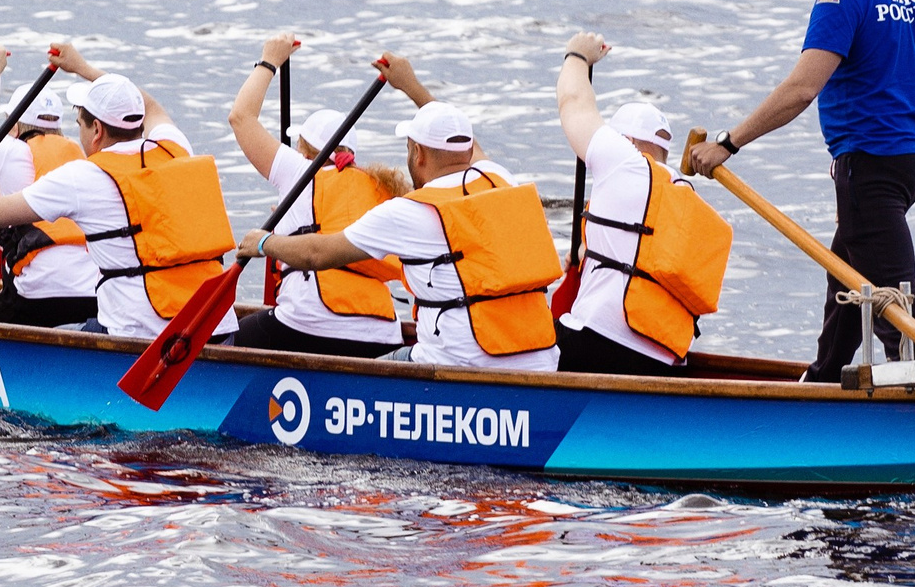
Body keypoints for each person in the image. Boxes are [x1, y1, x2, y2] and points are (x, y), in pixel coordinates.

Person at [684, 0, 915, 382]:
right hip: (913, 160)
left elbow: (803, 88)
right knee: (847, 275)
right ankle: (823, 381)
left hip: (869, 164)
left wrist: (728, 144)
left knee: (894, 305)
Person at [236, 97, 562, 372]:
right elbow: (463, 142)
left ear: (417, 153)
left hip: (459, 364)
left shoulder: (409, 211)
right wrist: (408, 83)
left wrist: (264, 243)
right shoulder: (497, 179)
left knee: (361, 377)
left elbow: (316, 255)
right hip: (540, 358)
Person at [0, 48, 236, 341]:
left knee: (54, 336)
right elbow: (151, 107)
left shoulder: (85, 176)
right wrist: (83, 68)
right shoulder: (174, 147)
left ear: (96, 130)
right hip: (216, 325)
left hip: (146, 339)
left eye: (80, 125)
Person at [222, 37, 434, 357]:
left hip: (307, 325)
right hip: (381, 331)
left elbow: (241, 118)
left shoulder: (299, 171)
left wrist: (269, 62)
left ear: (305, 150)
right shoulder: (384, 189)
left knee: (219, 340)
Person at [555, 32, 731, 375]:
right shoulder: (684, 194)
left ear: (626, 140)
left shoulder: (623, 159)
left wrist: (577, 55)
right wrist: (586, 256)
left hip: (594, 344)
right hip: (664, 362)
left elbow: (573, 102)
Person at [0, 46, 97, 327]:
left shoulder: (11, 151)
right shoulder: (82, 156)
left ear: (13, 129)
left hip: (40, 297)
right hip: (94, 295)